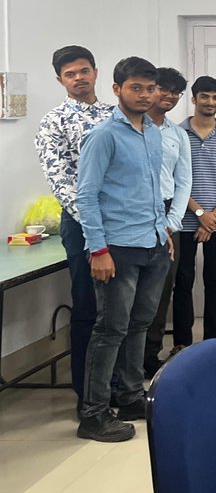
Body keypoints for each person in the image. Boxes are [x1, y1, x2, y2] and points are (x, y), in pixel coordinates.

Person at [75, 57, 170, 442]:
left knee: (140, 325)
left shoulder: (153, 132)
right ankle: (94, 414)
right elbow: (86, 195)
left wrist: (163, 234)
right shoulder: (103, 136)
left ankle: (131, 396)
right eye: (137, 88)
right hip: (116, 247)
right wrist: (97, 249)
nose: (145, 95)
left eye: (150, 89)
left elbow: (152, 190)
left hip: (152, 243)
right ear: (117, 89)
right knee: (110, 329)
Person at [34, 45, 113, 417]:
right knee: (89, 307)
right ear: (60, 80)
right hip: (83, 225)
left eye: (84, 71)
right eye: (70, 74)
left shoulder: (119, 115)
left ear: (96, 72)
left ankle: (120, 387)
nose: (79, 78)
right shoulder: (54, 122)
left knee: (123, 309)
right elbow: (62, 181)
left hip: (128, 223)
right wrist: (98, 222)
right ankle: (88, 396)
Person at [174, 76, 216, 348]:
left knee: (214, 281)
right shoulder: (176, 134)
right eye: (205, 96)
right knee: (183, 281)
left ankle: (213, 343)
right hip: (183, 221)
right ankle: (182, 344)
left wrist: (211, 218)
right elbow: (174, 180)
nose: (210, 102)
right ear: (193, 99)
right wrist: (200, 212)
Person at [143, 68, 193, 377]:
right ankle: (127, 365)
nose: (170, 96)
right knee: (133, 294)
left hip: (168, 216)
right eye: (165, 89)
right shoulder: (131, 127)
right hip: (133, 214)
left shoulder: (178, 134)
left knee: (161, 291)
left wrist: (172, 222)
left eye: (176, 92)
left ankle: (150, 356)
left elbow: (183, 180)